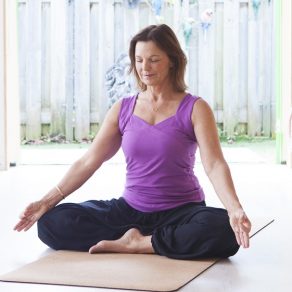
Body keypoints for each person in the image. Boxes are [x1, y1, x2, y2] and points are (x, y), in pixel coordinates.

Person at [14, 24, 251, 260]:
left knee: (223, 230)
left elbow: (214, 164)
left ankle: (142, 243)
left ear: (172, 60)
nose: (144, 68)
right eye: (139, 60)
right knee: (52, 222)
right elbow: (89, 161)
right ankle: (148, 239)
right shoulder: (123, 109)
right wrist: (46, 202)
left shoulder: (195, 108)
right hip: (129, 211)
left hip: (181, 211)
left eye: (153, 60)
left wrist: (234, 208)